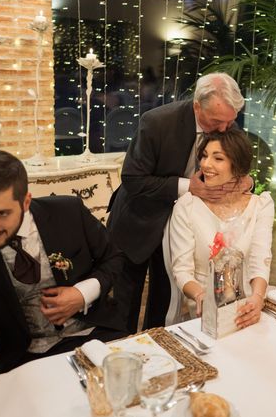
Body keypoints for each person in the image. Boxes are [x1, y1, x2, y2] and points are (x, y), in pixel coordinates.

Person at [0, 150, 128, 375]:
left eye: (2, 213)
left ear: (25, 201)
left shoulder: (68, 212)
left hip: (96, 334)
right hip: (25, 357)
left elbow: (114, 257)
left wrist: (81, 294)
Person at [107, 72, 251, 332]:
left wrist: (246, 181)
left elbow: (238, 162)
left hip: (181, 226)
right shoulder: (157, 122)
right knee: (125, 308)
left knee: (164, 301)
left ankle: (160, 352)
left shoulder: (226, 123)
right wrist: (189, 187)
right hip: (138, 221)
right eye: (217, 121)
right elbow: (132, 178)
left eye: (229, 122)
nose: (223, 129)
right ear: (198, 105)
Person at [167, 130, 273, 328]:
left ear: (237, 164)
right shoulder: (187, 207)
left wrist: (257, 298)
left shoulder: (260, 206)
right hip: (205, 307)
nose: (206, 165)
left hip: (251, 301)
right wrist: (200, 296)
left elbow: (261, 261)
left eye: (218, 158)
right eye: (205, 156)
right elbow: (182, 271)